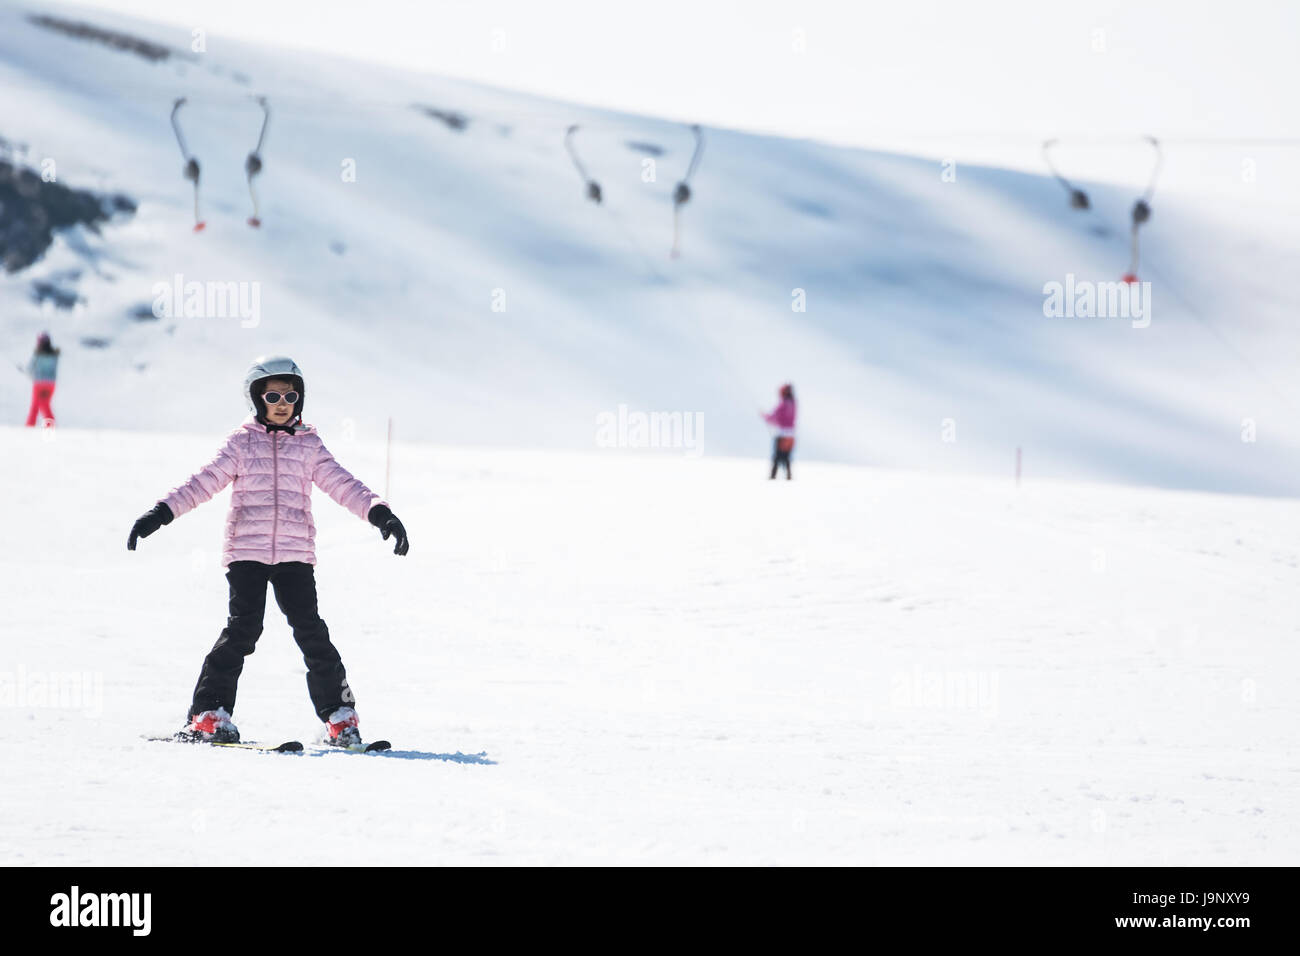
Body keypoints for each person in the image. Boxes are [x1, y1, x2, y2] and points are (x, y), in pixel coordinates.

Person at [126, 356, 410, 747]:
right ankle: (208, 715)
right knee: (243, 630)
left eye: (290, 395)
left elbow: (343, 484)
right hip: (247, 553)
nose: (282, 402)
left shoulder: (309, 445)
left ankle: (341, 718)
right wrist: (160, 514)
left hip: (295, 554)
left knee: (312, 632)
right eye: (272, 394)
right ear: (256, 398)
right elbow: (203, 483)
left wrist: (381, 515)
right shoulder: (241, 443)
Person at [761, 383, 797, 480]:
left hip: (781, 434)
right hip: (791, 435)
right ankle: (788, 475)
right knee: (787, 456)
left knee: (777, 456)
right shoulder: (793, 404)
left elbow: (774, 417)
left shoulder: (783, 404)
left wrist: (765, 416)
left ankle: (773, 476)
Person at [24, 332, 59, 427]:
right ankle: (48, 425)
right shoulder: (54, 355)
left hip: (39, 384)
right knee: (44, 404)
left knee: (37, 406)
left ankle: (31, 426)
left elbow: (30, 368)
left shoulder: (38, 354)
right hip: (51, 384)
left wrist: (26, 371)